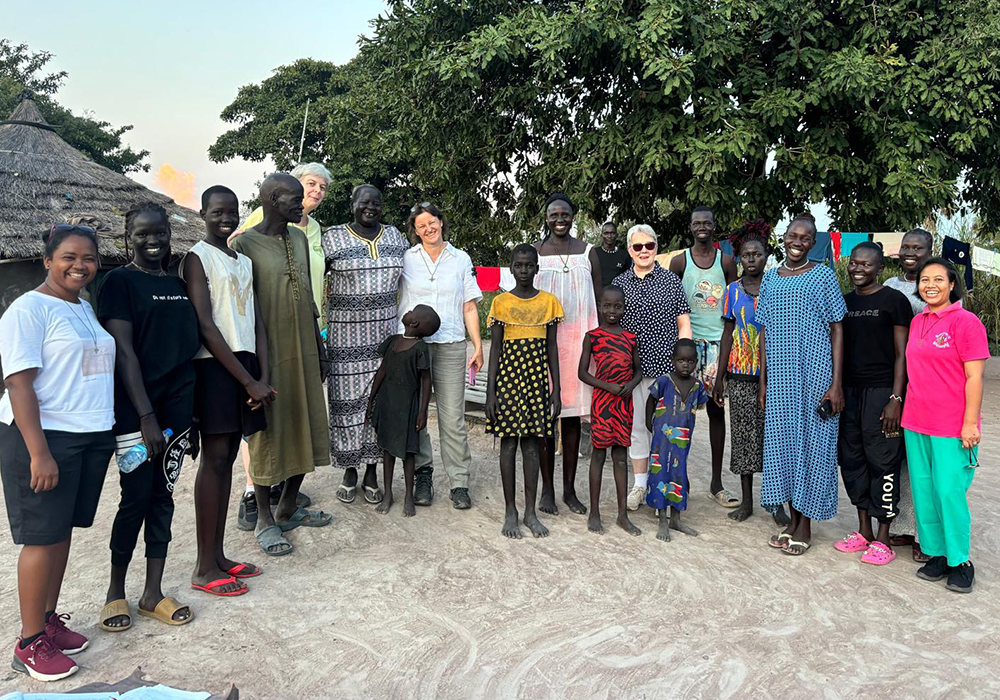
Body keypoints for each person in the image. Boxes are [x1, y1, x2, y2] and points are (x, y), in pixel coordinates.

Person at [0, 225, 115, 681]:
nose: (79, 265)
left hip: (87, 434)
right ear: (47, 260)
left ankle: (48, 621)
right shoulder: (29, 310)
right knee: (41, 537)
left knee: (62, 531)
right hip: (44, 438)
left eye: (88, 257)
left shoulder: (83, 308)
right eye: (68, 256)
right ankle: (29, 643)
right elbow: (18, 382)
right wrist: (38, 453)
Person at [97, 203, 200, 631]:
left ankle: (152, 593)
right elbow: (125, 352)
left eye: (159, 232)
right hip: (136, 413)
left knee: (163, 498)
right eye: (142, 234)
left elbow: (186, 351)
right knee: (135, 497)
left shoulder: (178, 284)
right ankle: (115, 593)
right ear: (128, 238)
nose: (152, 240)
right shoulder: (117, 282)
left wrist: (189, 418)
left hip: (177, 412)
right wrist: (145, 415)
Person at [231, 174, 332, 558]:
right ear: (273, 199)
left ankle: (289, 505)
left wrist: (320, 348)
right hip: (267, 352)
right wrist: (251, 368)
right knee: (268, 431)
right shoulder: (244, 243)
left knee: (305, 419)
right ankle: (263, 517)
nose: (301, 203)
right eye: (293, 198)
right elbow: (241, 308)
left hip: (305, 345)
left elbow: (306, 296)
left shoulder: (299, 239)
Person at [182, 186, 276, 596]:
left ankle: (219, 556)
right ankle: (204, 566)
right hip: (216, 367)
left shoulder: (242, 260)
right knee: (216, 459)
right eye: (217, 211)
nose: (226, 217)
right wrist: (246, 379)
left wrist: (263, 377)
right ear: (202, 212)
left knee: (228, 459)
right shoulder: (196, 258)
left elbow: (255, 322)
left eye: (232, 211)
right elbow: (206, 324)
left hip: (246, 365)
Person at [758, 213, 847, 556]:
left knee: (814, 445)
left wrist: (836, 384)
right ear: (784, 237)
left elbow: (838, 326)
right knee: (784, 446)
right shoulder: (770, 279)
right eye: (792, 236)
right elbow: (763, 329)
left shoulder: (823, 275)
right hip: (780, 377)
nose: (797, 242)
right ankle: (792, 520)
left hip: (816, 374)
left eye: (805, 238)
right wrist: (763, 382)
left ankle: (805, 524)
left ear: (813, 242)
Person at [903, 258, 987, 593]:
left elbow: (975, 377)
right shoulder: (917, 321)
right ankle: (936, 553)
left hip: (953, 425)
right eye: (925, 279)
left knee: (949, 492)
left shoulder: (966, 323)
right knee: (924, 492)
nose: (931, 285)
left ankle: (960, 560)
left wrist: (970, 423)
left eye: (939, 279)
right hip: (916, 421)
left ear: (952, 284)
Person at [323, 184, 408, 505]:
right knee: (346, 406)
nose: (370, 208)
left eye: (376, 203)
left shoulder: (395, 237)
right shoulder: (332, 238)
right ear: (352, 204)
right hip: (344, 343)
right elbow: (314, 274)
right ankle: (349, 471)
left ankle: (371, 472)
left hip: (384, 342)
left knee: (378, 407)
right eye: (363, 202)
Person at [398, 203, 483, 510]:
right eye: (421, 226)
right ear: (415, 230)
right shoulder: (406, 258)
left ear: (441, 222)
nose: (428, 229)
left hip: (450, 344)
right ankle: (423, 475)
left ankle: (459, 481)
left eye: (431, 222)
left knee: (452, 418)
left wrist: (477, 346)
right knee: (417, 414)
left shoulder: (460, 259)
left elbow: (469, 306)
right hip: (414, 347)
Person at [833, 242, 912, 565]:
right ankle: (863, 529)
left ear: (880, 268)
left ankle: (883, 536)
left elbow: (901, 354)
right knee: (852, 460)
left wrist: (896, 397)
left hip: (882, 393)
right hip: (849, 392)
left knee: (883, 462)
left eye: (866, 265)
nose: (858, 270)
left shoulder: (894, 301)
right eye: (854, 263)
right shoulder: (844, 302)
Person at [485, 244, 564, 539]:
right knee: (508, 443)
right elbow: (495, 350)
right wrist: (490, 392)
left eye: (529, 266)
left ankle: (531, 511)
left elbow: (551, 348)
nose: (524, 271)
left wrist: (556, 389)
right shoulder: (501, 303)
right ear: (511, 269)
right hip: (507, 380)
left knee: (533, 444)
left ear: (537, 269)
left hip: (536, 382)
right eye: (518, 266)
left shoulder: (549, 303)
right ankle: (510, 511)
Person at [611, 224, 692, 511]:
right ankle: (640, 485)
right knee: (637, 429)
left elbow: (684, 325)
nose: (644, 251)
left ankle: (666, 486)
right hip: (633, 372)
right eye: (637, 246)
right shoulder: (619, 283)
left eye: (649, 245)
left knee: (667, 429)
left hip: (666, 371)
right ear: (630, 250)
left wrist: (685, 370)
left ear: (656, 248)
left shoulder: (671, 281)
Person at [713, 220, 789, 525]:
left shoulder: (777, 286)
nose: (752, 259)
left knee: (774, 440)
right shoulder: (732, 291)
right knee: (743, 438)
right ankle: (746, 501)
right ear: (739, 258)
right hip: (740, 374)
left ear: (767, 255)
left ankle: (777, 503)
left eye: (757, 254)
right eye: (746, 255)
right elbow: (727, 333)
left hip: (774, 375)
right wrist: (720, 377)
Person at [531, 193, 601, 516]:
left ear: (573, 216)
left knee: (571, 420)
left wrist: (599, 348)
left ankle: (570, 490)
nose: (560, 219)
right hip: (543, 344)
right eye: (553, 214)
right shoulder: (535, 253)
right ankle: (547, 491)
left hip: (579, 345)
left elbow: (600, 302)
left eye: (565, 214)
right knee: (547, 418)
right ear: (546, 218)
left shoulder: (588, 253)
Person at [668, 206, 739, 508]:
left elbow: (733, 310)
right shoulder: (680, 261)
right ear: (690, 226)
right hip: (687, 346)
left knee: (715, 410)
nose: (702, 227)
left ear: (714, 226)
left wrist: (724, 364)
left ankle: (716, 484)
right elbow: (670, 301)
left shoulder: (726, 262)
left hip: (719, 345)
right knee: (681, 414)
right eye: (696, 223)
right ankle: (677, 481)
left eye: (706, 223)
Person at [883, 228, 934, 562]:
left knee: (921, 462)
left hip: (926, 384)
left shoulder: (934, 287)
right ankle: (902, 525)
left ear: (930, 251)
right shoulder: (890, 287)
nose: (910, 252)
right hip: (891, 381)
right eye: (906, 247)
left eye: (918, 247)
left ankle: (924, 533)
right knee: (895, 457)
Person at [579, 285, 642, 536]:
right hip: (603, 403)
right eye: (607, 306)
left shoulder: (631, 337)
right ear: (600, 307)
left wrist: (630, 386)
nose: (612, 311)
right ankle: (594, 513)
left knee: (620, 457)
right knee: (598, 455)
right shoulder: (592, 336)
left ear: (624, 308)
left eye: (617, 306)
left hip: (624, 404)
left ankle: (622, 515)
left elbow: (638, 370)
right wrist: (608, 386)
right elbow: (582, 373)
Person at [368, 305, 440, 516]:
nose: (408, 310)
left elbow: (427, 381)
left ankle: (409, 495)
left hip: (408, 407)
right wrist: (372, 398)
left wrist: (422, 411)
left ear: (413, 322)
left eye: (413, 310)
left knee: (408, 453)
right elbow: (382, 371)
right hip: (388, 405)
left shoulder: (419, 349)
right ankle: (389, 494)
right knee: (388, 451)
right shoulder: (393, 341)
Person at [645, 339, 710, 541]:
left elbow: (700, 406)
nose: (686, 365)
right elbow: (651, 400)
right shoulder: (664, 380)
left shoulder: (698, 386)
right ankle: (662, 520)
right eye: (681, 360)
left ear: (696, 362)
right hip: (661, 441)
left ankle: (676, 518)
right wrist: (650, 423)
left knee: (679, 476)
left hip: (682, 442)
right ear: (673, 360)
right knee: (660, 474)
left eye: (690, 361)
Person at [595, 221, 631, 288]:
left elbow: (629, 277)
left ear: (617, 235)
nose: (609, 236)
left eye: (612, 233)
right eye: (606, 233)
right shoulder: (594, 253)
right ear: (602, 235)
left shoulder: (624, 255)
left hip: (618, 296)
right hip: (597, 295)